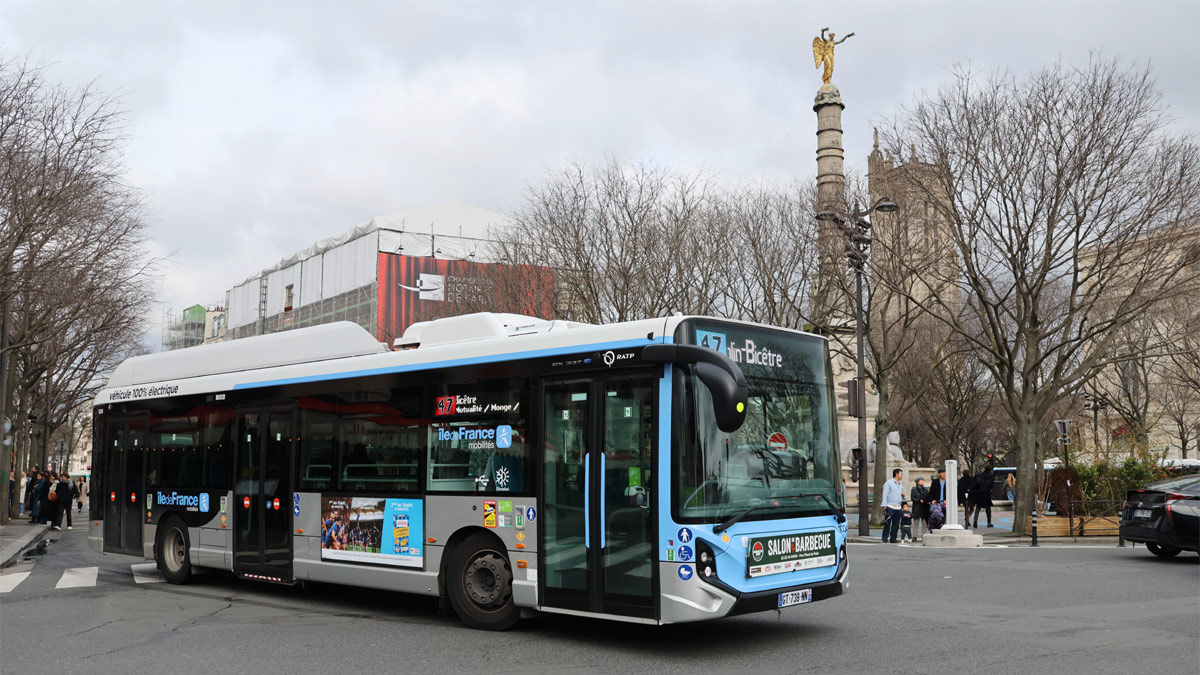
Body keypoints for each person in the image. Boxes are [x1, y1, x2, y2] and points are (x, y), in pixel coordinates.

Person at [880, 468, 905, 544]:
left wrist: (902, 497)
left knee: (896, 524)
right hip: (890, 505)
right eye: (901, 474)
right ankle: (884, 538)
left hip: (898, 506)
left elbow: (901, 495)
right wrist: (884, 505)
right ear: (896, 474)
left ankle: (893, 538)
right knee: (887, 523)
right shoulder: (888, 483)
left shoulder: (900, 484)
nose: (902, 475)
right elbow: (885, 494)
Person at [910, 476, 930, 542]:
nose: (922, 482)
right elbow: (912, 498)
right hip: (917, 508)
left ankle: (923, 536)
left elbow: (928, 497)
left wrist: (925, 500)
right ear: (917, 482)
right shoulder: (914, 489)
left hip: (924, 508)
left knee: (924, 523)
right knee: (916, 522)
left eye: (923, 480)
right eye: (921, 480)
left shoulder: (925, 490)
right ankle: (914, 536)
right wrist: (918, 500)